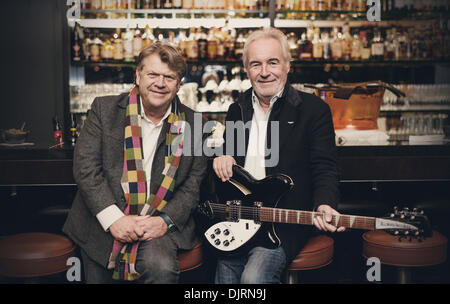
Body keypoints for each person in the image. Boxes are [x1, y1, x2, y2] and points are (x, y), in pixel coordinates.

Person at [63, 42, 207, 283]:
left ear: (179, 84)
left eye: (169, 77)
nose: (160, 83)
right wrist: (115, 219)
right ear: (138, 75)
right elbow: (86, 168)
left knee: (161, 268)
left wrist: (164, 222)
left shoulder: (195, 124)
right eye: (153, 74)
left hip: (158, 223)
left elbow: (193, 184)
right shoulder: (104, 109)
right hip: (104, 222)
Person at [212, 27, 345, 284]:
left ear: (286, 66)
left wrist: (325, 203)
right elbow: (231, 157)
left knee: (253, 279)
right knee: (225, 278)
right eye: (255, 64)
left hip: (282, 222)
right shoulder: (237, 109)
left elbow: (325, 167)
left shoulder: (313, 109)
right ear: (246, 70)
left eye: (272, 62)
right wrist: (222, 157)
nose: (264, 72)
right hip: (240, 220)